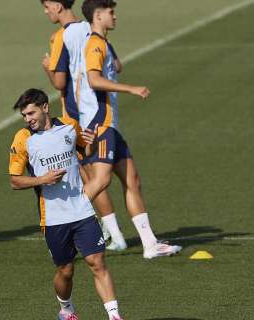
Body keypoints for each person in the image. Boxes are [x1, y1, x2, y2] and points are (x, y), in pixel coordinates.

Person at [79, 0, 182, 259]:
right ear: (98, 15)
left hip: (111, 126)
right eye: (111, 12)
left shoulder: (104, 44)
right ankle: (62, 224)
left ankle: (150, 244)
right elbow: (93, 79)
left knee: (132, 180)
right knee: (100, 181)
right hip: (101, 126)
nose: (115, 16)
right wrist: (130, 88)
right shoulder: (94, 44)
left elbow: (115, 65)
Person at [9, 89, 123, 320]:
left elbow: (83, 151)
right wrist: (42, 179)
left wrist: (89, 146)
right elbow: (14, 180)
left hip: (82, 209)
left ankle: (114, 315)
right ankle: (66, 308)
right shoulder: (23, 139)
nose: (28, 119)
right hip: (52, 217)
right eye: (24, 115)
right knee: (66, 270)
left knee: (97, 262)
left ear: (45, 108)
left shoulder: (70, 126)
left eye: (31, 113)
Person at [40, 0, 128, 251]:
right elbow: (117, 65)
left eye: (46, 6)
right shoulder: (90, 30)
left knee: (88, 178)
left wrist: (47, 67)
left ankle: (87, 231)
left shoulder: (61, 36)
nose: (46, 11)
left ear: (57, 5)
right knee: (99, 178)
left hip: (73, 115)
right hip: (97, 112)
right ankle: (114, 235)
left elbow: (59, 83)